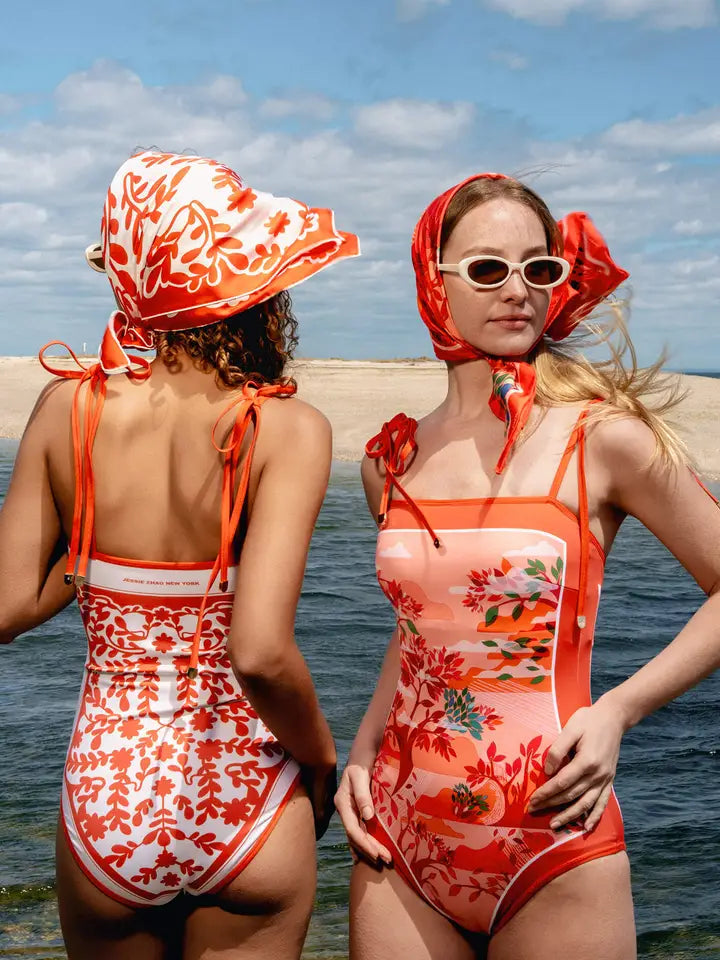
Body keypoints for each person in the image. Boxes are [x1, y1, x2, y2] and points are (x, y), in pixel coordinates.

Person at [335, 172, 720, 960]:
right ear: (433, 282)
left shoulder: (601, 438)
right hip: (397, 837)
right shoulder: (390, 460)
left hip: (552, 836)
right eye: (486, 269)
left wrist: (619, 712)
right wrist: (363, 750)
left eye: (538, 268)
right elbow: (423, 630)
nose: (516, 290)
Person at [0, 149, 359, 960]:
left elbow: (7, 607)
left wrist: (93, 559)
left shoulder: (67, 411)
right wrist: (320, 759)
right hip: (245, 792)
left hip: (108, 798)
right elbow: (260, 653)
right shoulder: (285, 429)